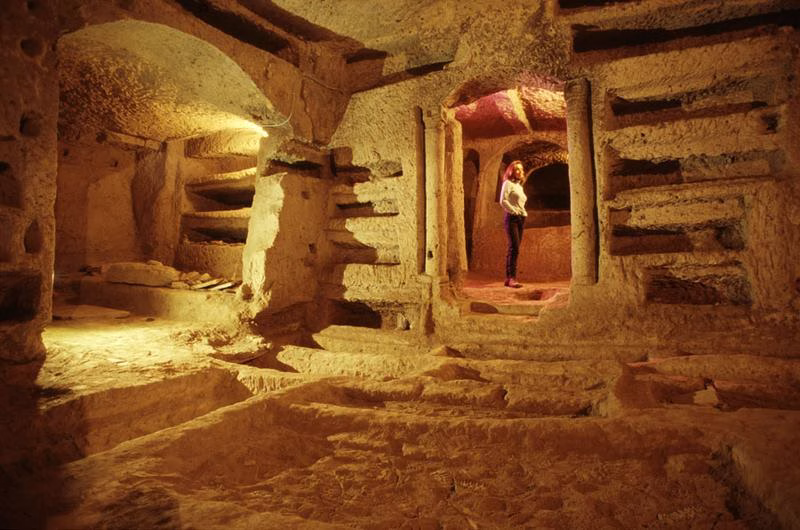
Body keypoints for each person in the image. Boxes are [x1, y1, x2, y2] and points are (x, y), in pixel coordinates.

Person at [499, 160, 528, 288]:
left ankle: (509, 278)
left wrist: (522, 213)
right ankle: (511, 278)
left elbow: (520, 203)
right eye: (517, 169)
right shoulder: (508, 183)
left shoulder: (519, 186)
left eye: (521, 169)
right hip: (512, 218)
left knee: (515, 249)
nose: (520, 171)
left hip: (521, 218)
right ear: (511, 171)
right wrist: (514, 211)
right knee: (514, 247)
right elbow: (503, 200)